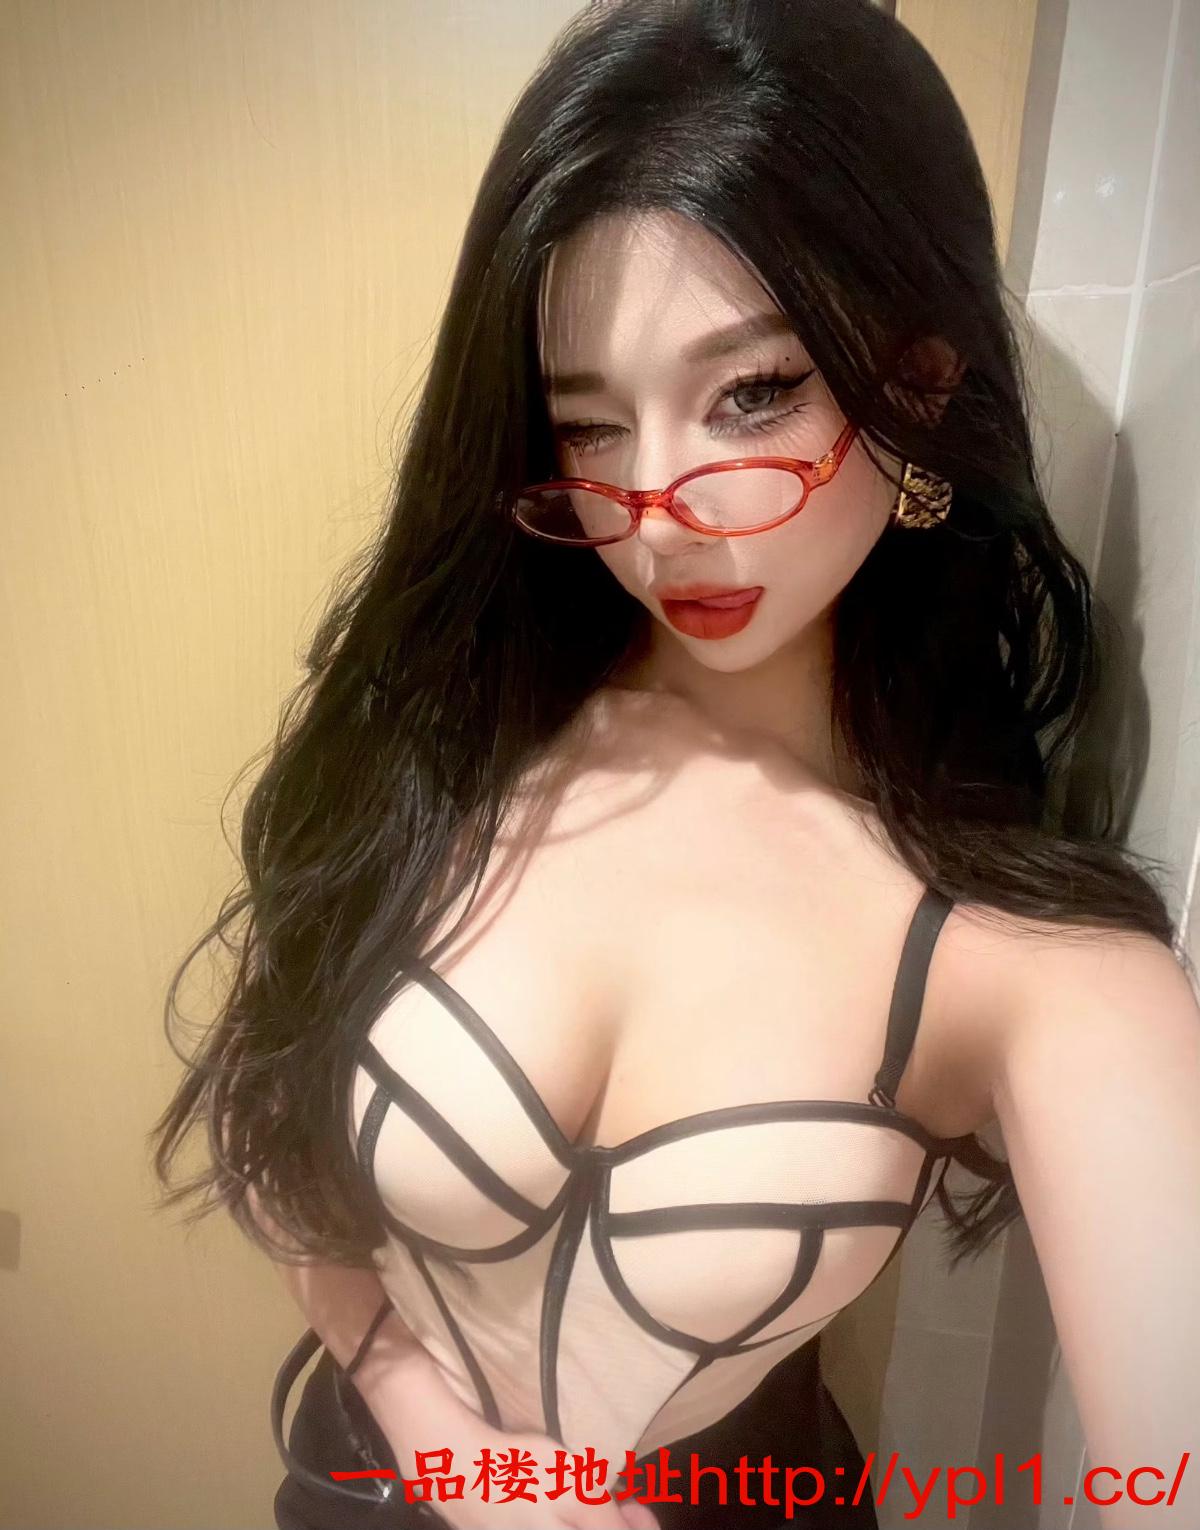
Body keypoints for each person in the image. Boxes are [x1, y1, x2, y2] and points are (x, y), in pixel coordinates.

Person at [150, 1, 1200, 1527]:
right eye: (589, 427)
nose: (658, 511)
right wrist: (463, 1452)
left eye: (750, 394)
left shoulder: (1026, 962)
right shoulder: (454, 733)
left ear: (917, 379)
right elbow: (282, 1128)